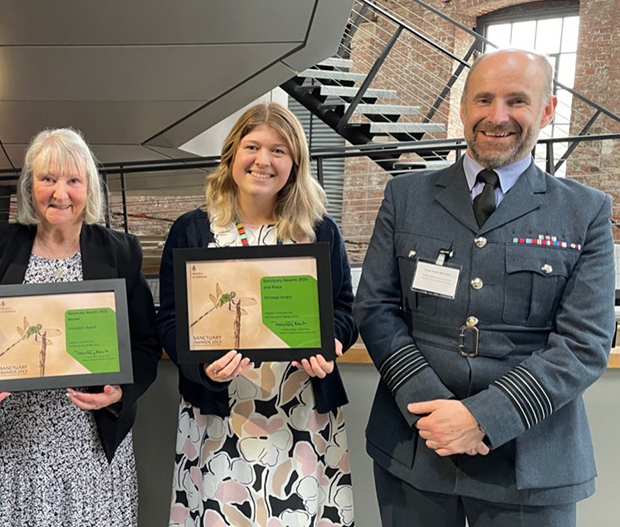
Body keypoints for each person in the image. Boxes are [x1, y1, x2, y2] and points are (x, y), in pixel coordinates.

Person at [354, 49, 614, 527]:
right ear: (463, 107)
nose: (497, 117)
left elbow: (584, 344)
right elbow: (374, 308)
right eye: (484, 100)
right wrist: (433, 413)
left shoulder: (586, 211)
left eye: (517, 100)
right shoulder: (406, 196)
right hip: (417, 451)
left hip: (531, 462)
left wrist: (483, 418)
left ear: (548, 110)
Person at [0, 127, 160, 526]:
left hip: (91, 455)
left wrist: (119, 393)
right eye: (48, 179)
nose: (61, 193)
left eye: (73, 180)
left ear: (89, 187)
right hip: (11, 450)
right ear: (29, 186)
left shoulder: (120, 252)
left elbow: (145, 343)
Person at [157, 103, 358, 527]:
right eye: (252, 146)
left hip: (301, 412)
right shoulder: (192, 230)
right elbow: (171, 319)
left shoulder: (320, 230)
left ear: (295, 163)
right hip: (219, 417)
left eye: (279, 150)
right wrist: (202, 367)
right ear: (231, 154)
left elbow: (344, 308)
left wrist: (333, 340)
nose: (263, 161)